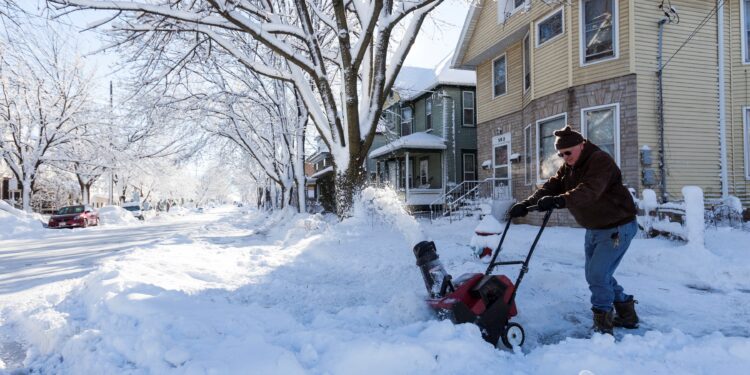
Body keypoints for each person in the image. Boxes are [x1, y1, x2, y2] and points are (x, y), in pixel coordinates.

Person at [508, 126, 639, 335]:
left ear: (581, 145)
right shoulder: (569, 167)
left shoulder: (599, 160)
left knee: (597, 276)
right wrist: (526, 204)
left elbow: (589, 191)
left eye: (568, 152)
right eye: (560, 154)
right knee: (597, 275)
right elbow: (551, 186)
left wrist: (560, 200)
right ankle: (627, 312)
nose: (564, 157)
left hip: (617, 227)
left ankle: (603, 326)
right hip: (595, 228)